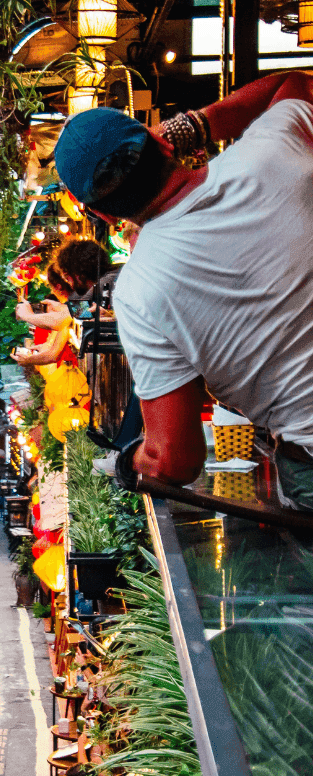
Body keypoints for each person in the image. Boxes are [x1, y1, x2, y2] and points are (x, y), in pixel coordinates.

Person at [52, 71, 313, 502]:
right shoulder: (272, 151)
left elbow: (173, 461)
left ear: (102, 215)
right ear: (164, 143)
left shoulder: (139, 292)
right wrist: (198, 124)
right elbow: (296, 85)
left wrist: (128, 462)